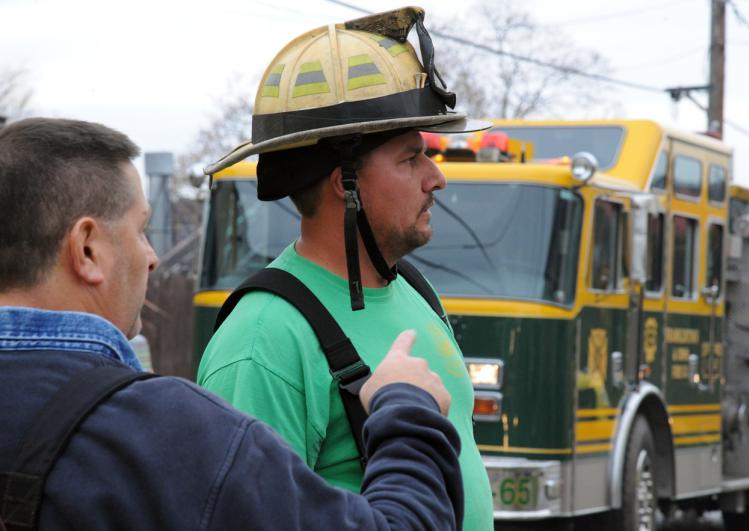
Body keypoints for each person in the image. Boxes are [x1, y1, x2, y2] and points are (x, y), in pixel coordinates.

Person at [0, 117, 463, 530]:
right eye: (141, 229)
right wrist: (408, 414)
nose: (153, 257)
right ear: (87, 250)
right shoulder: (167, 433)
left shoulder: (413, 288)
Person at [197, 7, 494, 530]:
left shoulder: (414, 291)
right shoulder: (262, 339)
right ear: (344, 182)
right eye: (410, 158)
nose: (436, 178)